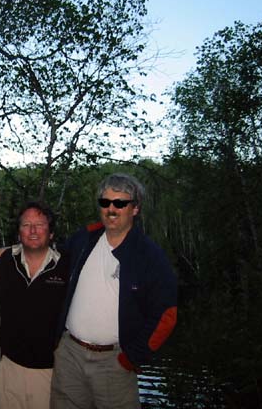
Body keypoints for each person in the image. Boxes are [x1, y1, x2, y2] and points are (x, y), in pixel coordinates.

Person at [51, 173, 178, 409]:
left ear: (135, 208)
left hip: (114, 362)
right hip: (69, 355)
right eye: (105, 202)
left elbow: (166, 315)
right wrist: (12, 252)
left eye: (120, 203)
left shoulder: (149, 255)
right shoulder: (84, 239)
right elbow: (49, 257)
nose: (111, 209)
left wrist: (131, 357)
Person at [0, 201, 69, 409]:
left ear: (51, 232)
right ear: (19, 232)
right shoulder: (4, 261)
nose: (33, 230)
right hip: (8, 368)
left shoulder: (67, 264)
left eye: (40, 225)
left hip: (49, 371)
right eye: (26, 225)